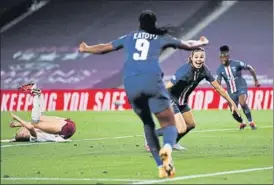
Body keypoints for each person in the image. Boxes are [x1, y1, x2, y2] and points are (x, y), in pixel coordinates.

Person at [79, 10, 209, 178]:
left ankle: (161, 166)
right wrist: (201, 42)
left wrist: (86, 48)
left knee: (148, 123)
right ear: (154, 22)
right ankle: (168, 147)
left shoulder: (129, 37)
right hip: (152, 80)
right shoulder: (161, 37)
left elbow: (104, 48)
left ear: (139, 23)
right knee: (169, 123)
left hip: (131, 82)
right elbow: (188, 45)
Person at [144, 47, 241, 151]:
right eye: (196, 57)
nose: (199, 59)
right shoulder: (185, 70)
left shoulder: (204, 70)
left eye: (201, 57)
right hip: (170, 99)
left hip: (182, 102)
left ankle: (173, 143)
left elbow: (218, 87)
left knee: (191, 124)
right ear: (191, 58)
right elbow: (167, 85)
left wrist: (232, 103)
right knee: (181, 128)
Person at [7, 82, 76, 143]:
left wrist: (19, 124)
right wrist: (17, 119)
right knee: (36, 122)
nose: (20, 131)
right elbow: (31, 126)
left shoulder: (36, 133)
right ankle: (37, 95)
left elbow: (31, 126)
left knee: (39, 117)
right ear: (23, 135)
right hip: (66, 128)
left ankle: (39, 95)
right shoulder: (33, 137)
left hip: (66, 126)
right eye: (19, 133)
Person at [217, 45, 260, 130]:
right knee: (233, 111)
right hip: (231, 91)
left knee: (243, 103)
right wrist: (217, 87)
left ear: (228, 57)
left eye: (224, 57)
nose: (222, 59)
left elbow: (250, 68)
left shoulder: (236, 63)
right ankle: (242, 122)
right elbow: (218, 81)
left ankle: (251, 122)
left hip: (241, 87)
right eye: (220, 58)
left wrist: (256, 80)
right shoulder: (220, 69)